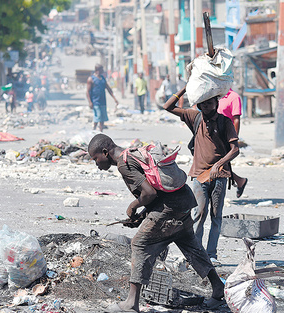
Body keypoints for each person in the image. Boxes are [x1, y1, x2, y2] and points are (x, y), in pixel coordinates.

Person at [88, 134, 226, 312]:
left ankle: (131, 303)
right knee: (191, 246)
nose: (96, 164)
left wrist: (132, 207)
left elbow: (149, 194)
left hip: (170, 209)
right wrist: (144, 214)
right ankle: (218, 288)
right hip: (184, 201)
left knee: (139, 244)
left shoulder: (124, 164)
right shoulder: (133, 153)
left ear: (105, 152)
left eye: (95, 159)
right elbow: (158, 192)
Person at [164, 96, 240, 265]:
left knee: (215, 216)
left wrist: (218, 165)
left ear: (216, 104)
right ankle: (196, 253)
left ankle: (211, 253)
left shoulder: (225, 122)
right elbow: (167, 106)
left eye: (210, 102)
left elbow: (235, 150)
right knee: (199, 213)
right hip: (199, 175)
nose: (206, 106)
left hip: (219, 176)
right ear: (199, 104)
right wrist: (186, 87)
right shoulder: (195, 117)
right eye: (203, 103)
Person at [218, 89, 248, 198]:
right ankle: (240, 180)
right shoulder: (214, 95)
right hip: (214, 136)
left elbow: (236, 119)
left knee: (220, 163)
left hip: (226, 136)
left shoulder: (233, 97)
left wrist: (233, 139)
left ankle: (239, 181)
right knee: (219, 163)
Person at [86, 64, 119, 132]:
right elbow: (88, 92)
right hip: (95, 101)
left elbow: (108, 89)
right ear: (98, 70)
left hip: (103, 101)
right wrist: (90, 102)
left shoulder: (102, 78)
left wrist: (114, 98)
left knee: (102, 118)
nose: (103, 71)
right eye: (102, 69)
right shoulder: (91, 79)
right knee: (98, 117)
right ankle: (94, 131)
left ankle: (101, 132)